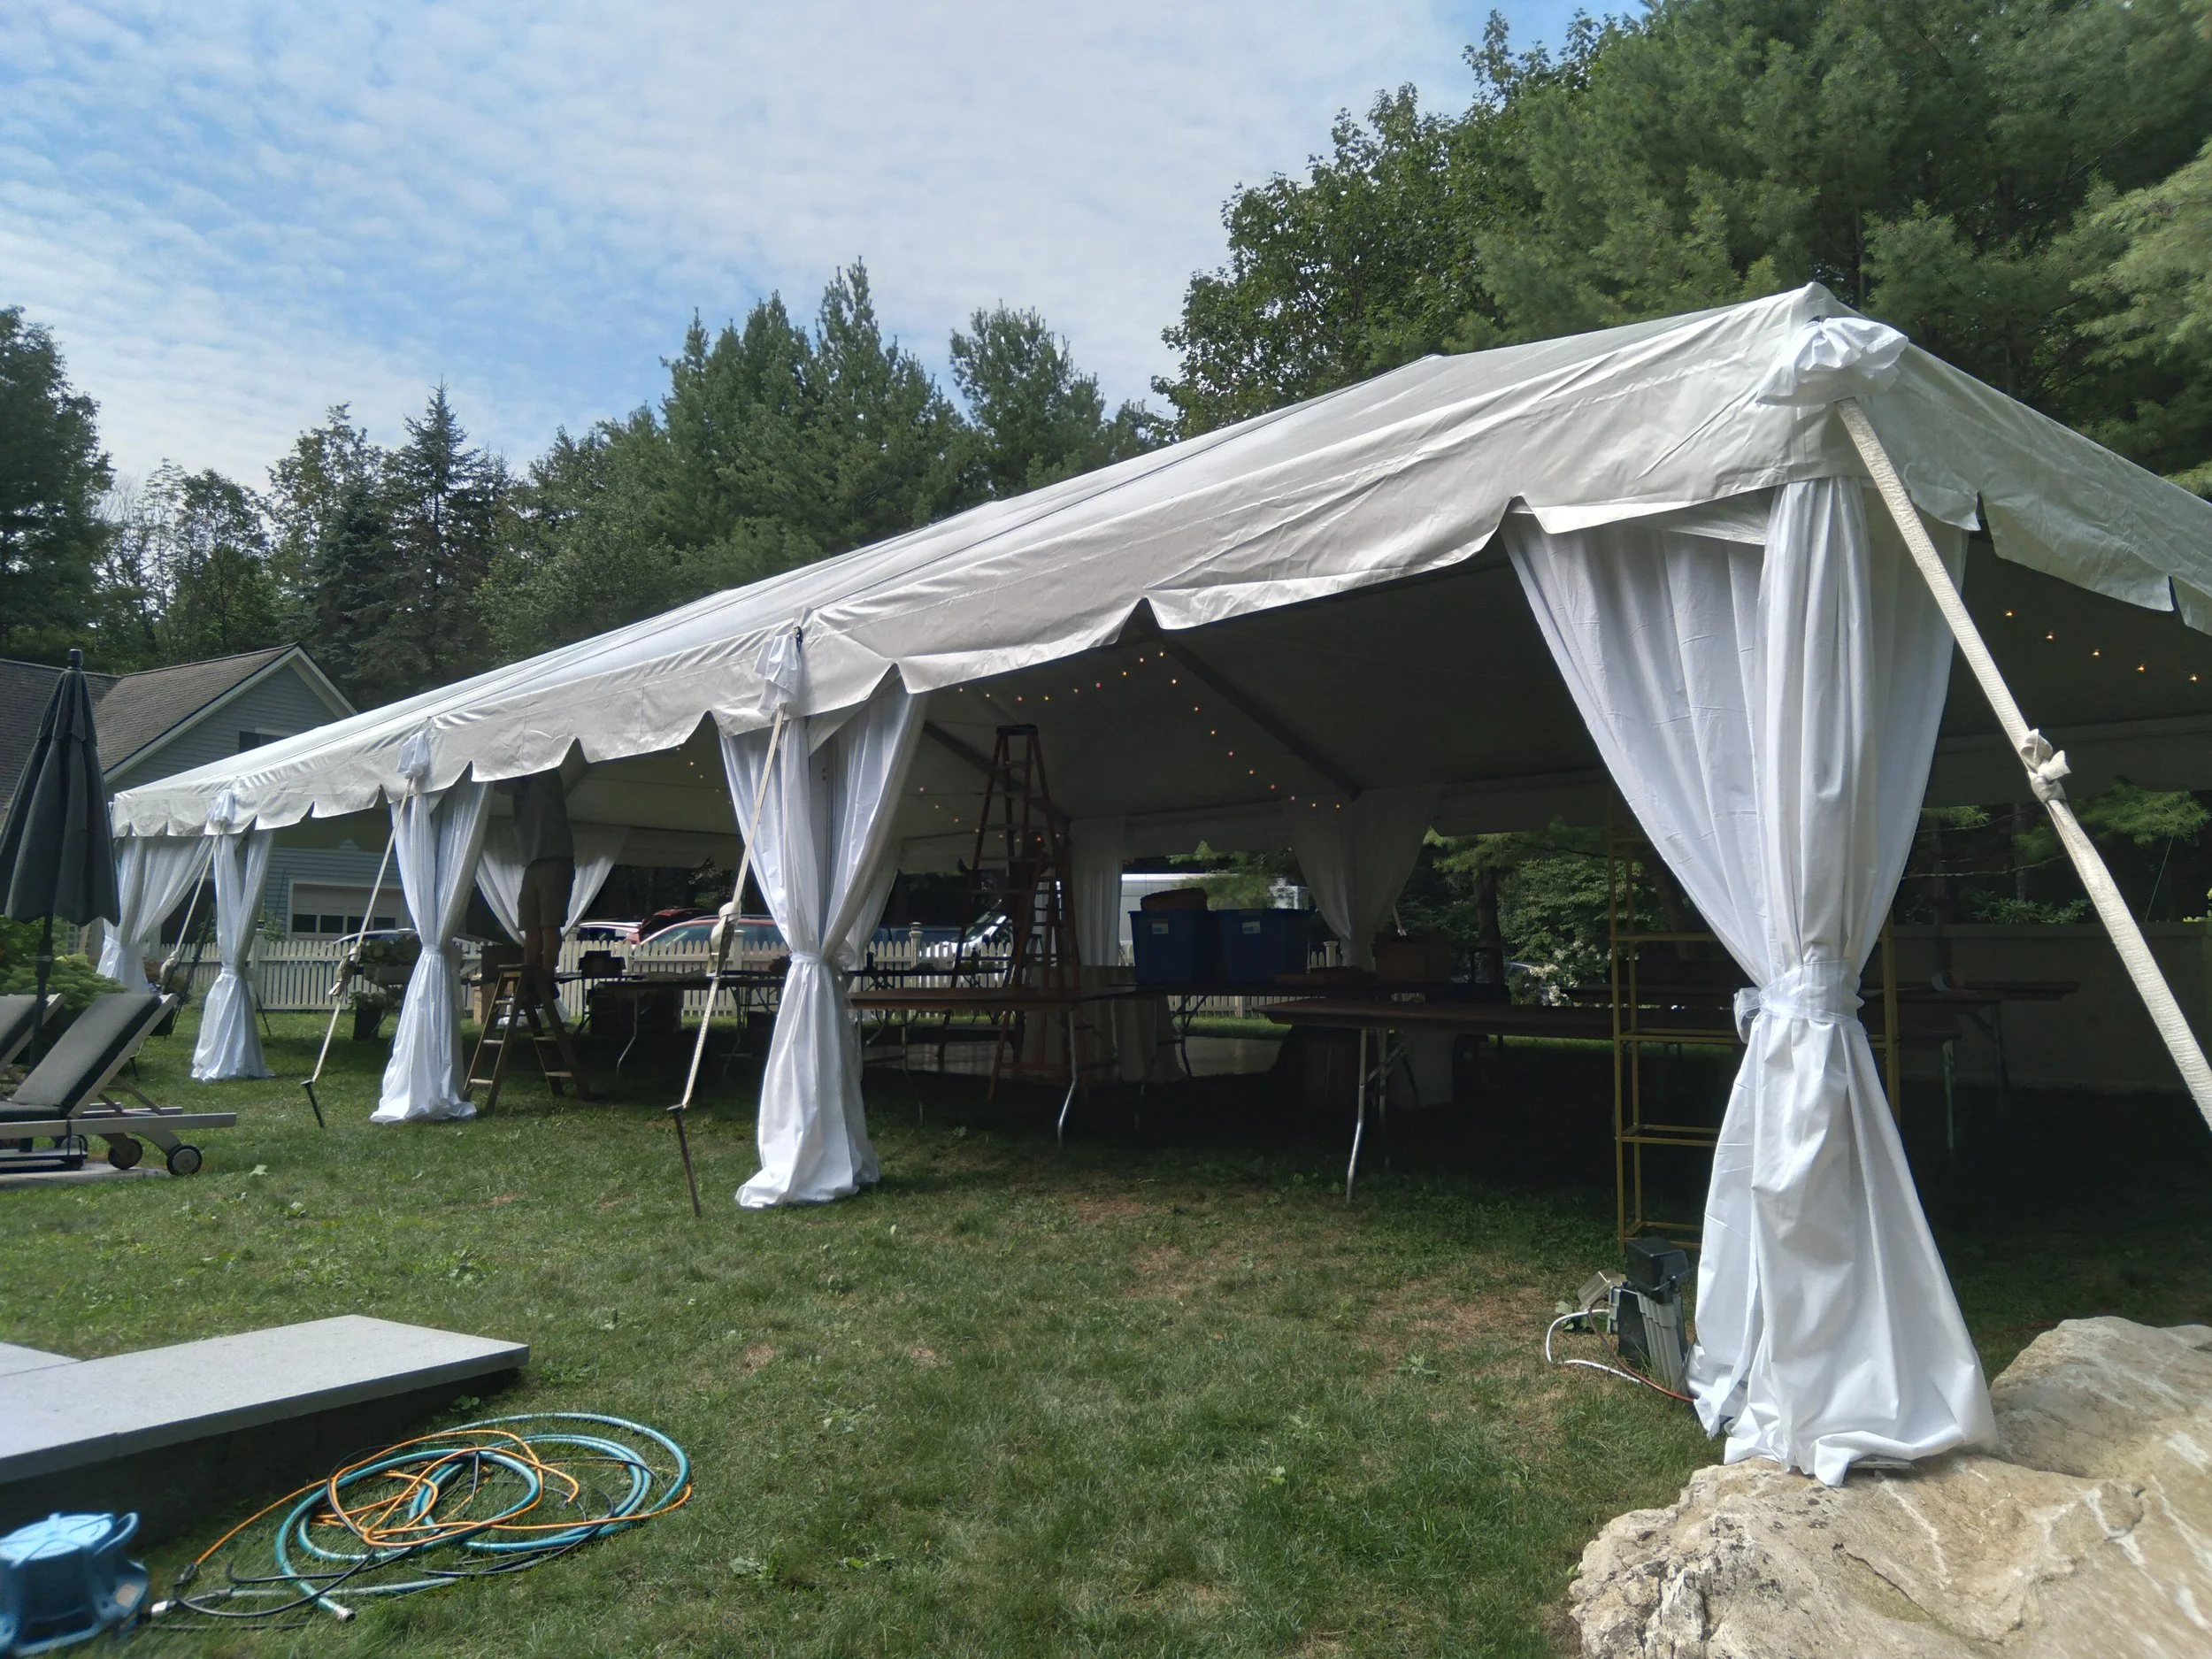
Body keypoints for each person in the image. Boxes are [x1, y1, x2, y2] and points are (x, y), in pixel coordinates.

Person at [500, 769, 573, 1006]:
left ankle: (546, 976)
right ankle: (530, 978)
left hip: (555, 858)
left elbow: (542, 764)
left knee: (548, 924)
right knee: (531, 926)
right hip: (532, 864)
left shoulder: (547, 780)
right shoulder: (519, 789)